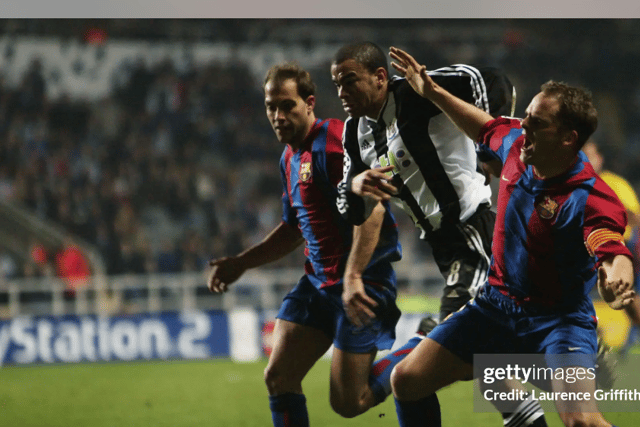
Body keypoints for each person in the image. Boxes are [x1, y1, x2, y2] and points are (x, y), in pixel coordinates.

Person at [380, 46, 635, 427]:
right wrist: (429, 90)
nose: (524, 126)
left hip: (557, 323)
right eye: (527, 116)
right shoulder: (518, 143)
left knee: (581, 421)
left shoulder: (592, 197)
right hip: (494, 307)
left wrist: (619, 280)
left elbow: (613, 252)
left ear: (568, 138)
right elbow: (482, 125)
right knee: (407, 380)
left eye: (537, 123)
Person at [331, 41, 547, 427]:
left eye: (349, 82)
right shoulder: (354, 134)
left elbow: (488, 80)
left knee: (444, 357)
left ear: (381, 77)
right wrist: (356, 187)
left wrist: (490, 144)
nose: (342, 94)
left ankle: (549, 358)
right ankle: (544, 366)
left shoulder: (414, 94)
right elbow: (348, 209)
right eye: (337, 85)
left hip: (474, 233)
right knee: (481, 369)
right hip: (443, 249)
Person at [207, 63, 421, 426]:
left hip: (363, 284)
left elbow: (374, 208)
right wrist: (242, 262)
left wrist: (353, 276)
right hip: (318, 285)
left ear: (309, 103)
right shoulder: (290, 157)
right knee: (278, 378)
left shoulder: (333, 144)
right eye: (271, 106)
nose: (278, 115)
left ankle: (422, 346)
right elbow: (293, 230)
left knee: (349, 403)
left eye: (287, 105)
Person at [583, 140, 640, 353]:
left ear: (599, 158)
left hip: (615, 249)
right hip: (583, 251)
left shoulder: (612, 184)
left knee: (625, 299)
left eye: (589, 156)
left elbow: (634, 218)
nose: (585, 161)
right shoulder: (570, 185)